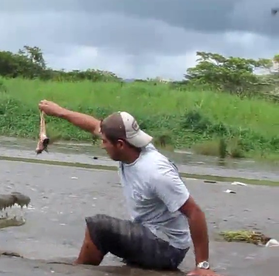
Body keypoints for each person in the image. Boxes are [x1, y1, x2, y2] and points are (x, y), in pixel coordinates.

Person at [38, 100, 221, 276]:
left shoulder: (156, 171)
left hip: (168, 249)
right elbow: (94, 125)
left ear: (120, 144)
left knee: (99, 227)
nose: (102, 145)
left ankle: (78, 271)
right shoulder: (131, 147)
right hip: (149, 232)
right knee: (105, 230)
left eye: (105, 142)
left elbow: (195, 212)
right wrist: (59, 111)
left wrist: (202, 266)